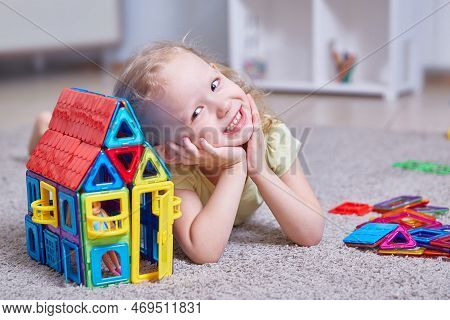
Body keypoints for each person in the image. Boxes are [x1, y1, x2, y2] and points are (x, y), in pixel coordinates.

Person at [29, 42, 324, 265]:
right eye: (197, 112)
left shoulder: (271, 136)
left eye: (214, 84)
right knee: (66, 156)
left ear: (216, 69)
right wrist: (236, 169)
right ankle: (45, 126)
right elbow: (204, 250)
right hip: (128, 158)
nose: (221, 105)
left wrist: (259, 169)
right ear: (171, 148)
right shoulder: (178, 165)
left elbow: (311, 232)